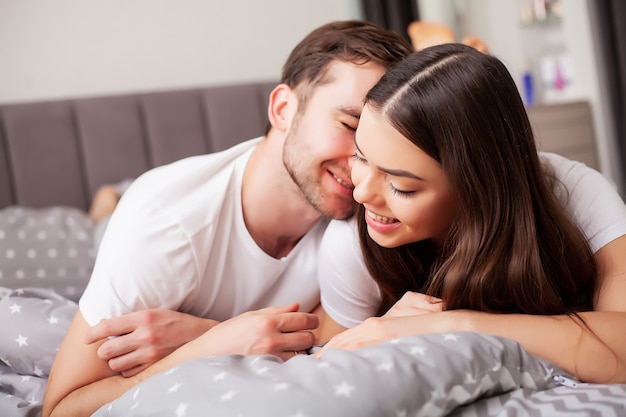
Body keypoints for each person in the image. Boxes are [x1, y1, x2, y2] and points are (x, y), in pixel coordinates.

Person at [42, 20, 414, 417]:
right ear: (283, 109)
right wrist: (208, 346)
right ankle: (107, 205)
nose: (362, 166)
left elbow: (327, 341)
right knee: (105, 229)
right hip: (142, 221)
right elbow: (61, 408)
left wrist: (208, 336)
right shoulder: (164, 226)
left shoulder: (370, 212)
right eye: (350, 125)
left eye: (379, 144)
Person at [314, 43, 626, 384]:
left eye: (402, 186)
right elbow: (330, 369)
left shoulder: (575, 192)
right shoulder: (351, 243)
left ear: (477, 185)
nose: (360, 194)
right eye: (360, 157)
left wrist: (451, 326)